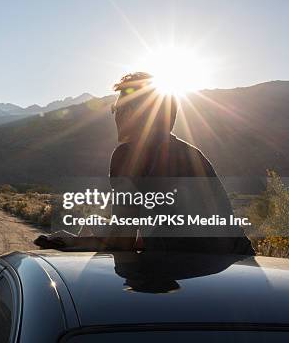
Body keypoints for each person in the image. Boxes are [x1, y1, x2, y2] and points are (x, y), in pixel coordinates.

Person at [35, 72, 255, 255]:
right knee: (93, 222)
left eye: (116, 109)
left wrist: (72, 243)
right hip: (239, 260)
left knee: (92, 228)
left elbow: (122, 242)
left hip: (184, 270)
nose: (115, 116)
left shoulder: (129, 155)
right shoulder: (192, 154)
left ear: (131, 113)